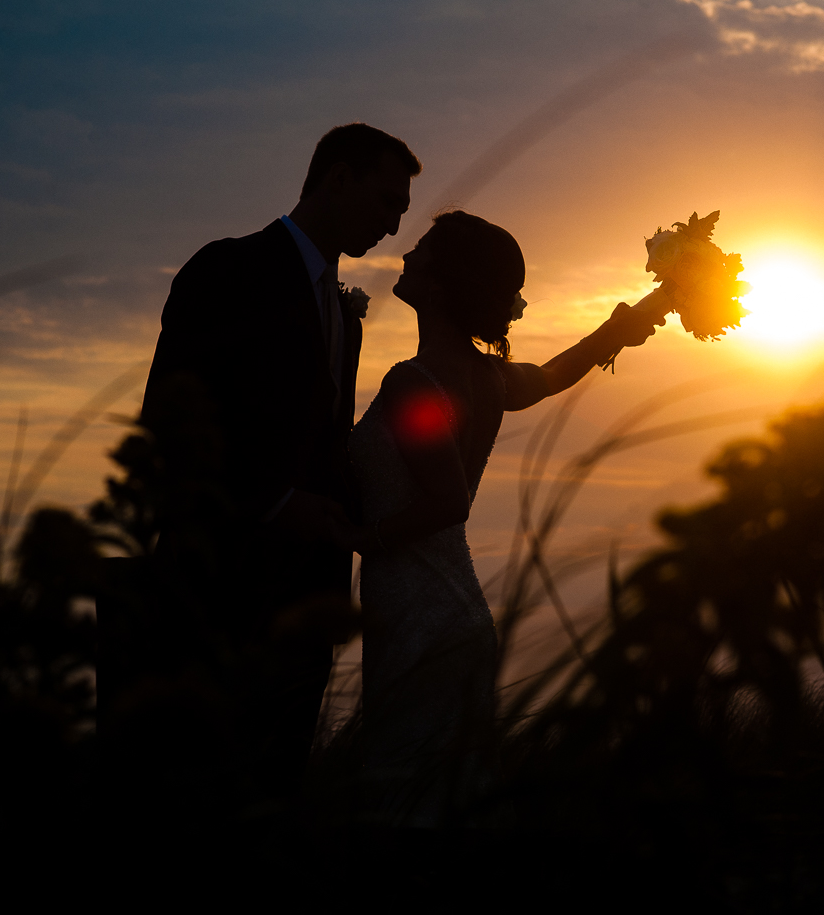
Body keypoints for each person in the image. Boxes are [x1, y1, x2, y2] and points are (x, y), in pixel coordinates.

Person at [133, 122, 419, 797]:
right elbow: (171, 427)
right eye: (385, 203)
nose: (392, 225)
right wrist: (276, 506)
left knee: (275, 789)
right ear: (338, 179)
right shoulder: (227, 270)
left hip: (307, 595)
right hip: (218, 590)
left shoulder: (344, 315)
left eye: (401, 213)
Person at [349, 211, 662, 822]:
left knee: (404, 807)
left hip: (420, 617)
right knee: (448, 802)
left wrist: (361, 537)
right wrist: (618, 328)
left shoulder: (412, 384)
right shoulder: (486, 376)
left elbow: (448, 502)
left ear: (438, 284)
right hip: (455, 614)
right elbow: (548, 376)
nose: (407, 254)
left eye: (422, 249)